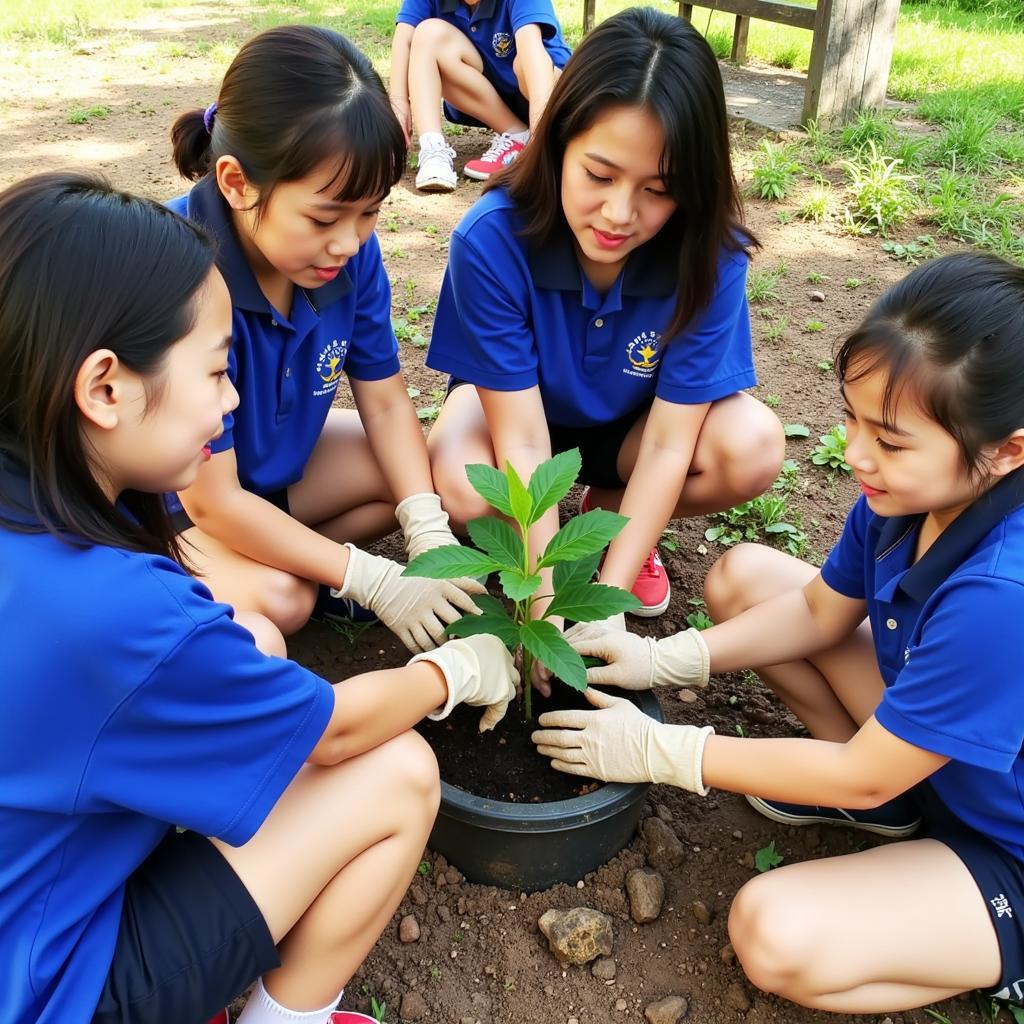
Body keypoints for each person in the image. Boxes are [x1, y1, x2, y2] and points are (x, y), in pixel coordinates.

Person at [0, 171, 518, 1024]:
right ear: (103, 388)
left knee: (252, 634)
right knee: (396, 774)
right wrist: (453, 672)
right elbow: (335, 733)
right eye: (213, 372)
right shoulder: (120, 614)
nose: (231, 397)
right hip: (50, 989)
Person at [534, 252, 1024, 1012]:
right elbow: (818, 612)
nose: (857, 454)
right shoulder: (910, 498)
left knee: (773, 932)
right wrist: (668, 658)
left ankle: (995, 939)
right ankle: (897, 821)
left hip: (1006, 843)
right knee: (747, 580)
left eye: (891, 442)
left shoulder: (1003, 595)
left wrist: (669, 751)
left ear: (1008, 450)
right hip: (929, 760)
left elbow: (866, 767)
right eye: (852, 419)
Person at [425, 6, 783, 634]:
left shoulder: (710, 254)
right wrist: (541, 603)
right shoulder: (492, 240)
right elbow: (525, 443)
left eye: (659, 188)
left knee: (750, 445)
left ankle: (612, 515)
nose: (620, 213)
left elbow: (671, 442)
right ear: (560, 140)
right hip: (515, 418)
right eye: (599, 174)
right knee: (462, 485)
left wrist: (603, 608)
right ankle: (541, 545)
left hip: (634, 433)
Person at [169, 25, 484, 654]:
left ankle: (292, 558)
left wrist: (426, 530)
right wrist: (368, 575)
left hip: (267, 477)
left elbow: (388, 400)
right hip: (177, 509)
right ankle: (262, 571)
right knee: (284, 599)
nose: (350, 240)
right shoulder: (180, 274)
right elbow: (211, 501)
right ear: (236, 183)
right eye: (324, 217)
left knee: (421, 482)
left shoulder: (346, 259)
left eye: (370, 212)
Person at [389, 0, 571, 192]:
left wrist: (539, 144)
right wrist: (399, 102)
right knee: (428, 34)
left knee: (524, 64)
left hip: (548, 95)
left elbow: (532, 53)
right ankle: (435, 150)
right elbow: (405, 38)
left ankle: (538, 143)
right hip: (491, 94)